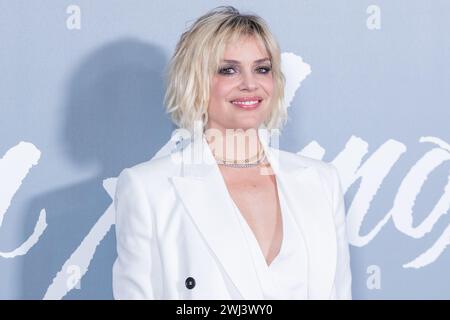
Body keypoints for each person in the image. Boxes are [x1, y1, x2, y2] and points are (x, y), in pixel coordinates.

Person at [112, 6, 352, 299]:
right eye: (229, 70)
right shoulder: (147, 189)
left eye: (262, 69)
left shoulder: (321, 181)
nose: (250, 84)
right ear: (195, 80)